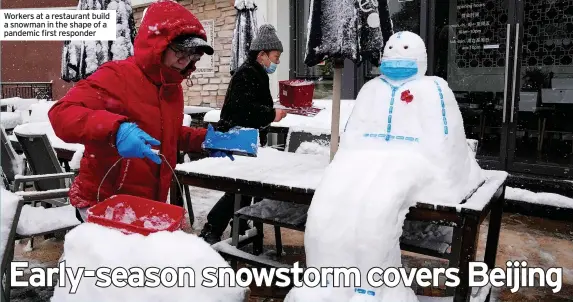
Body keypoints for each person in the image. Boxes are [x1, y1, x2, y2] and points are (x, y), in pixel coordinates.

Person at [48, 0, 233, 222]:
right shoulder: (116, 76)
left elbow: (167, 135)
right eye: (180, 51)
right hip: (103, 201)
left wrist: (207, 140)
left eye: (193, 56)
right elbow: (61, 114)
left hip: (146, 201)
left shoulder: (171, 88)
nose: (185, 62)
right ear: (158, 44)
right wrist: (116, 131)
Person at [198, 24, 287, 244]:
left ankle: (238, 223)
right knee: (240, 188)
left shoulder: (255, 73)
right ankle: (213, 228)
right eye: (275, 57)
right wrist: (271, 114)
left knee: (245, 188)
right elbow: (243, 111)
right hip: (237, 139)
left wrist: (270, 110)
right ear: (262, 54)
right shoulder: (247, 73)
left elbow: (252, 105)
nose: (277, 62)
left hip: (246, 139)